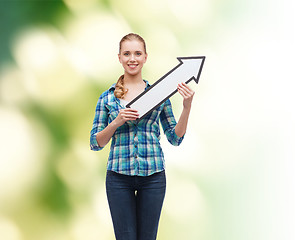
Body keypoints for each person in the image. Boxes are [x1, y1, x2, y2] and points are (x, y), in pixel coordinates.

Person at [90, 33, 195, 240]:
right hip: (118, 177)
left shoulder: (160, 94)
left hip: (153, 176)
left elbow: (175, 138)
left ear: (146, 57)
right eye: (127, 53)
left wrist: (186, 106)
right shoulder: (107, 98)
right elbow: (95, 142)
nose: (132, 59)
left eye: (137, 53)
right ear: (119, 57)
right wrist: (117, 121)